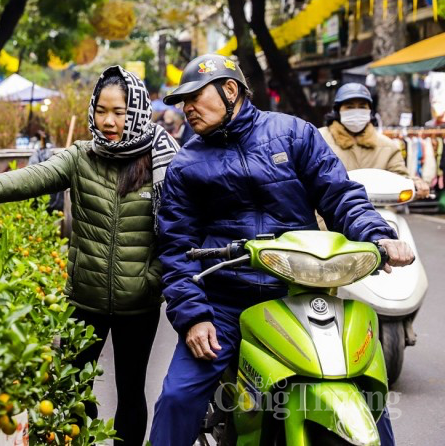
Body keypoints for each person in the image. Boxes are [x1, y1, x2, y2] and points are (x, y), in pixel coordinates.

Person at [150, 54, 415, 446]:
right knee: (176, 398)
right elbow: (174, 248)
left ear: (229, 90)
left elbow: (340, 196)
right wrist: (193, 317)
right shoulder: (185, 163)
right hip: (225, 305)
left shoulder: (293, 134)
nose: (186, 107)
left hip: (299, 294)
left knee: (366, 384)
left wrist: (377, 234)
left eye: (194, 95)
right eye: (181, 100)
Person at [0, 66, 180, 446]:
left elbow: (179, 227)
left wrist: (150, 279)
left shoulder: (163, 161)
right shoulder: (81, 157)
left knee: (131, 392)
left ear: (136, 111)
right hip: (85, 300)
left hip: (138, 304)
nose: (108, 121)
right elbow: (33, 176)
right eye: (102, 110)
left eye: (119, 112)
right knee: (74, 392)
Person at [320, 82, 430, 199]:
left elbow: (400, 178)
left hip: (377, 213)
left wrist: (415, 184)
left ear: (369, 111)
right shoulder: (319, 139)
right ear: (338, 111)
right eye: (349, 107)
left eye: (362, 107)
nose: (356, 111)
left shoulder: (387, 145)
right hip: (330, 215)